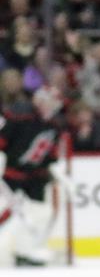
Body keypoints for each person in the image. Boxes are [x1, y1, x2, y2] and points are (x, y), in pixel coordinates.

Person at [0, 86, 66, 266]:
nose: (53, 107)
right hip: (9, 173)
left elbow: (51, 154)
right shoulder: (18, 115)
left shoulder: (55, 125)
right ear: (39, 100)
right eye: (50, 101)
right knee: (3, 209)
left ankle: (25, 251)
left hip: (34, 176)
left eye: (56, 104)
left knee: (40, 212)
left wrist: (56, 171)